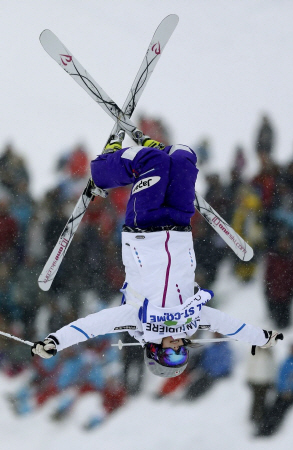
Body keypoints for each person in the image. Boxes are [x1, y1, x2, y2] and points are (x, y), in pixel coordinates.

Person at [31, 131, 284, 378]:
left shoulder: (137, 321)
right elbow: (228, 325)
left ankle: (103, 170)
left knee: (153, 162)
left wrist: (55, 341)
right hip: (179, 227)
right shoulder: (191, 321)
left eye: (170, 355)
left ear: (154, 352)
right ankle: (157, 151)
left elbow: (93, 326)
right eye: (181, 355)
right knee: (185, 157)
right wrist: (261, 338)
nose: (176, 348)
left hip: (144, 228)